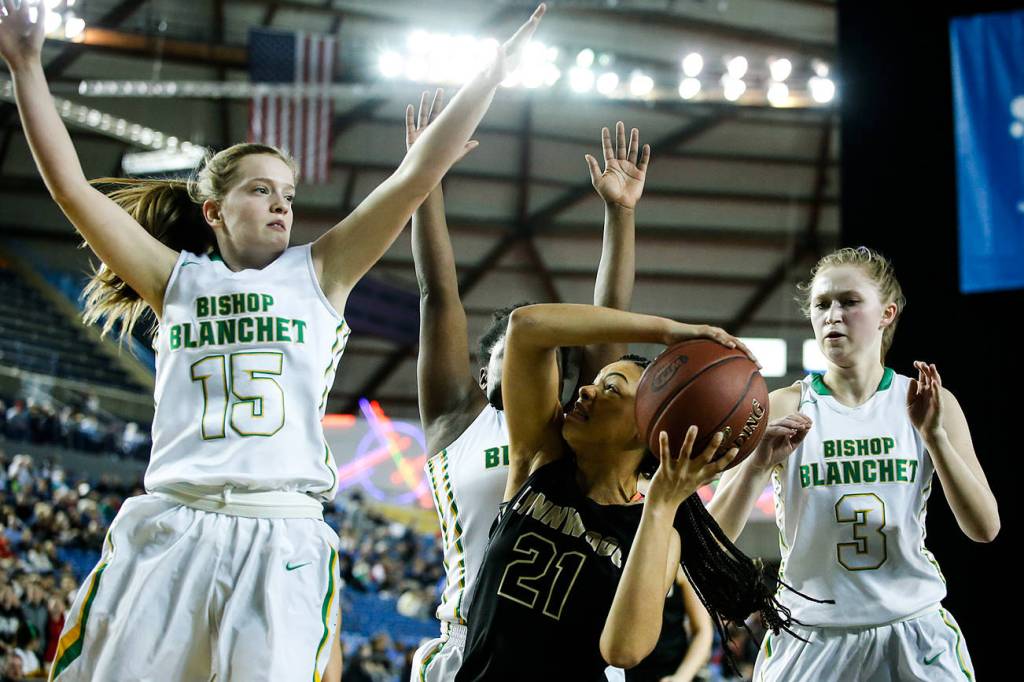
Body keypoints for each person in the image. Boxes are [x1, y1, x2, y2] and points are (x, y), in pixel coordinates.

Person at [0, 1, 547, 679]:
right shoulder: (175, 279)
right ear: (214, 210)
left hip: (281, 530)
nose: (282, 203)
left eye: (287, 192)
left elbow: (414, 177)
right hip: (176, 519)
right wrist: (26, 65)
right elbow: (72, 191)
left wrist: (490, 76)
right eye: (261, 190)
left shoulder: (321, 272)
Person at [407, 88, 650, 680]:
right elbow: (438, 294)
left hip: (573, 652)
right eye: (504, 357)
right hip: (470, 640)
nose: (520, 364)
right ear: (482, 371)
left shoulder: (570, 430)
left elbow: (609, 320)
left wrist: (620, 214)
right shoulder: (456, 418)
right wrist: (424, 178)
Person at [454, 303, 791, 682]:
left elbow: (624, 650)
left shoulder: (655, 532)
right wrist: (667, 331)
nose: (585, 390)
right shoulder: (540, 458)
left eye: (610, 388)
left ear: (648, 424)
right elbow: (526, 325)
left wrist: (662, 504)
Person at [709, 246, 1000, 680]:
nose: (832, 315)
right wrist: (755, 469)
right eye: (821, 304)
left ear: (887, 313)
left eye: (848, 301)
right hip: (811, 634)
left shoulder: (927, 402)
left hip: (911, 628)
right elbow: (711, 541)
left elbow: (985, 528)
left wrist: (934, 437)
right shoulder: (783, 406)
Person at [624, 566, 713, 682]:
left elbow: (703, 630)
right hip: (627, 670)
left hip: (672, 669)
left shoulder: (681, 568)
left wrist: (681, 677)